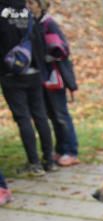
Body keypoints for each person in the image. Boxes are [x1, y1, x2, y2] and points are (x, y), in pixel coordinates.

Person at [0, 0, 55, 176]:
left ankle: (34, 163)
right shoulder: (27, 12)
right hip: (34, 72)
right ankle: (49, 159)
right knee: (40, 116)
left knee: (23, 118)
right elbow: (38, 40)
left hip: (10, 75)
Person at [27, 0, 78, 167]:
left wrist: (51, 51)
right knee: (52, 115)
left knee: (61, 115)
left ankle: (71, 150)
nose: (28, 5)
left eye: (32, 2)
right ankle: (61, 148)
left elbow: (62, 49)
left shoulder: (48, 24)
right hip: (41, 77)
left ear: (40, 5)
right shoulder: (31, 23)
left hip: (53, 77)